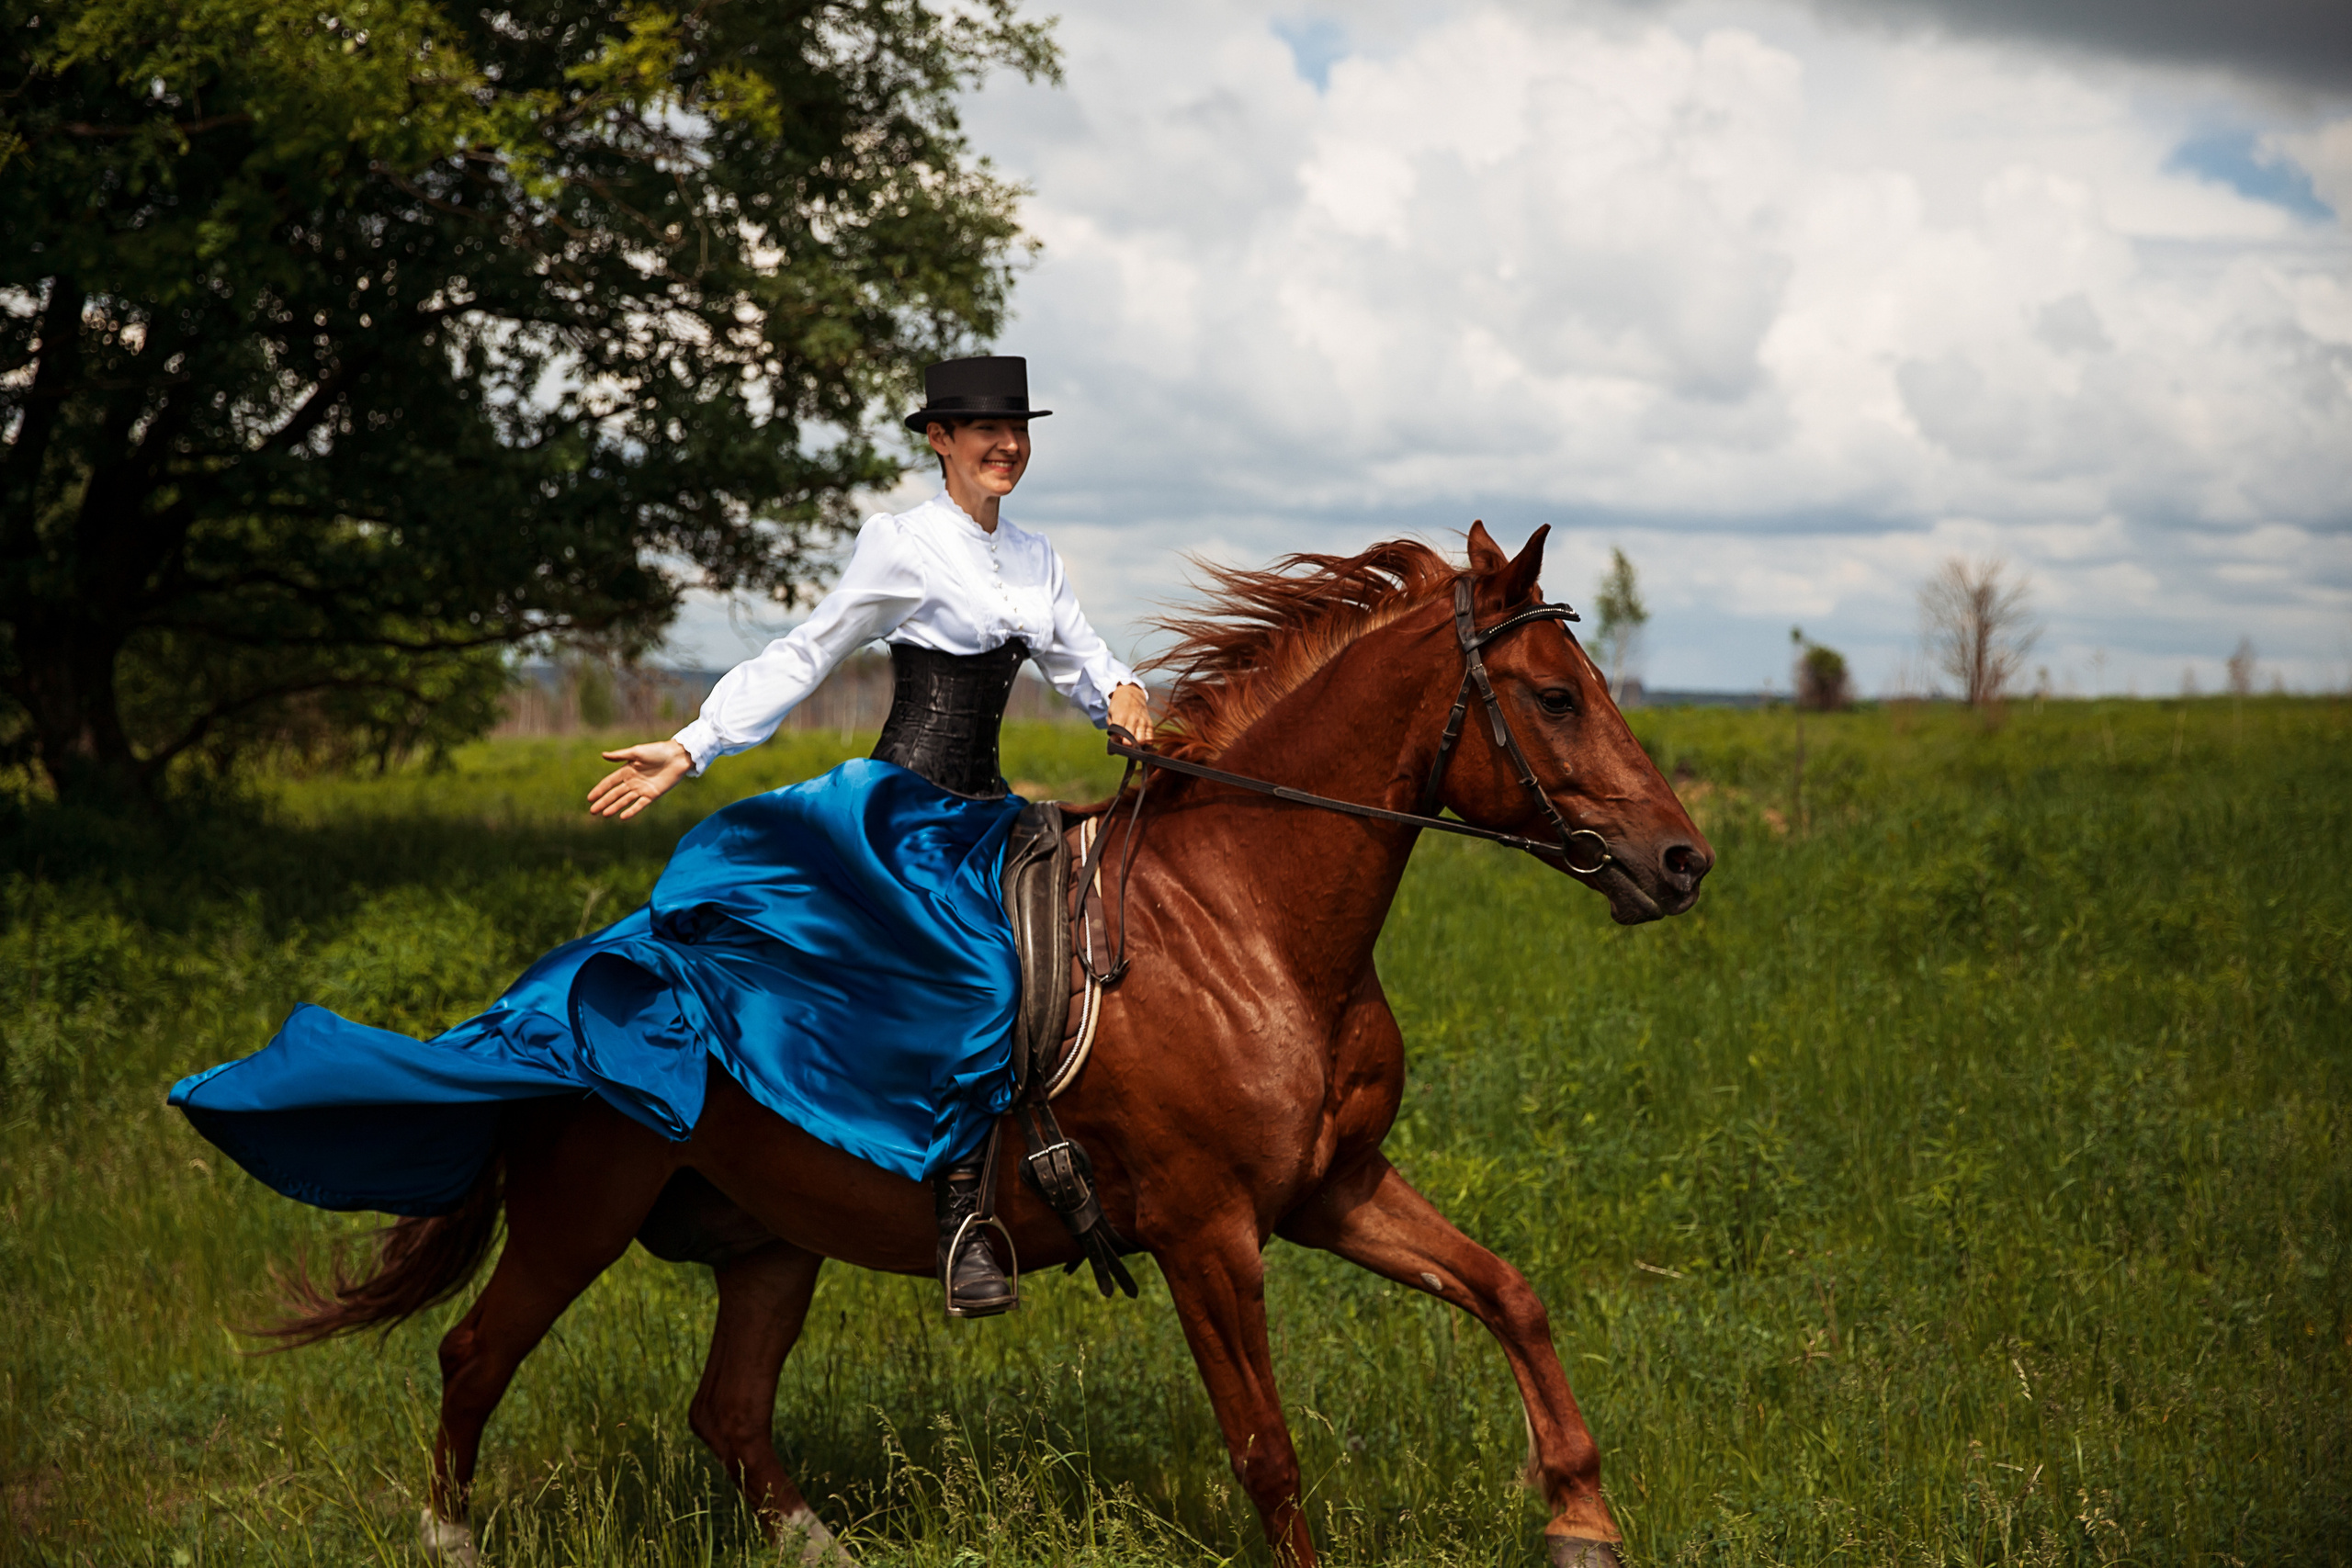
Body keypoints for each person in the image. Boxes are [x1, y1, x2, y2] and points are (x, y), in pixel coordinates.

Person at [170, 355, 1150, 1318]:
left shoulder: (1036, 556)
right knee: (982, 976)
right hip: (906, 814)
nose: (1006, 446)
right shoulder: (904, 543)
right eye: (985, 430)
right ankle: (962, 1217)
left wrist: (1127, 694)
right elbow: (805, 650)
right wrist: (692, 744)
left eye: (1016, 431)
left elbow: (1084, 661)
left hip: (989, 811)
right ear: (939, 439)